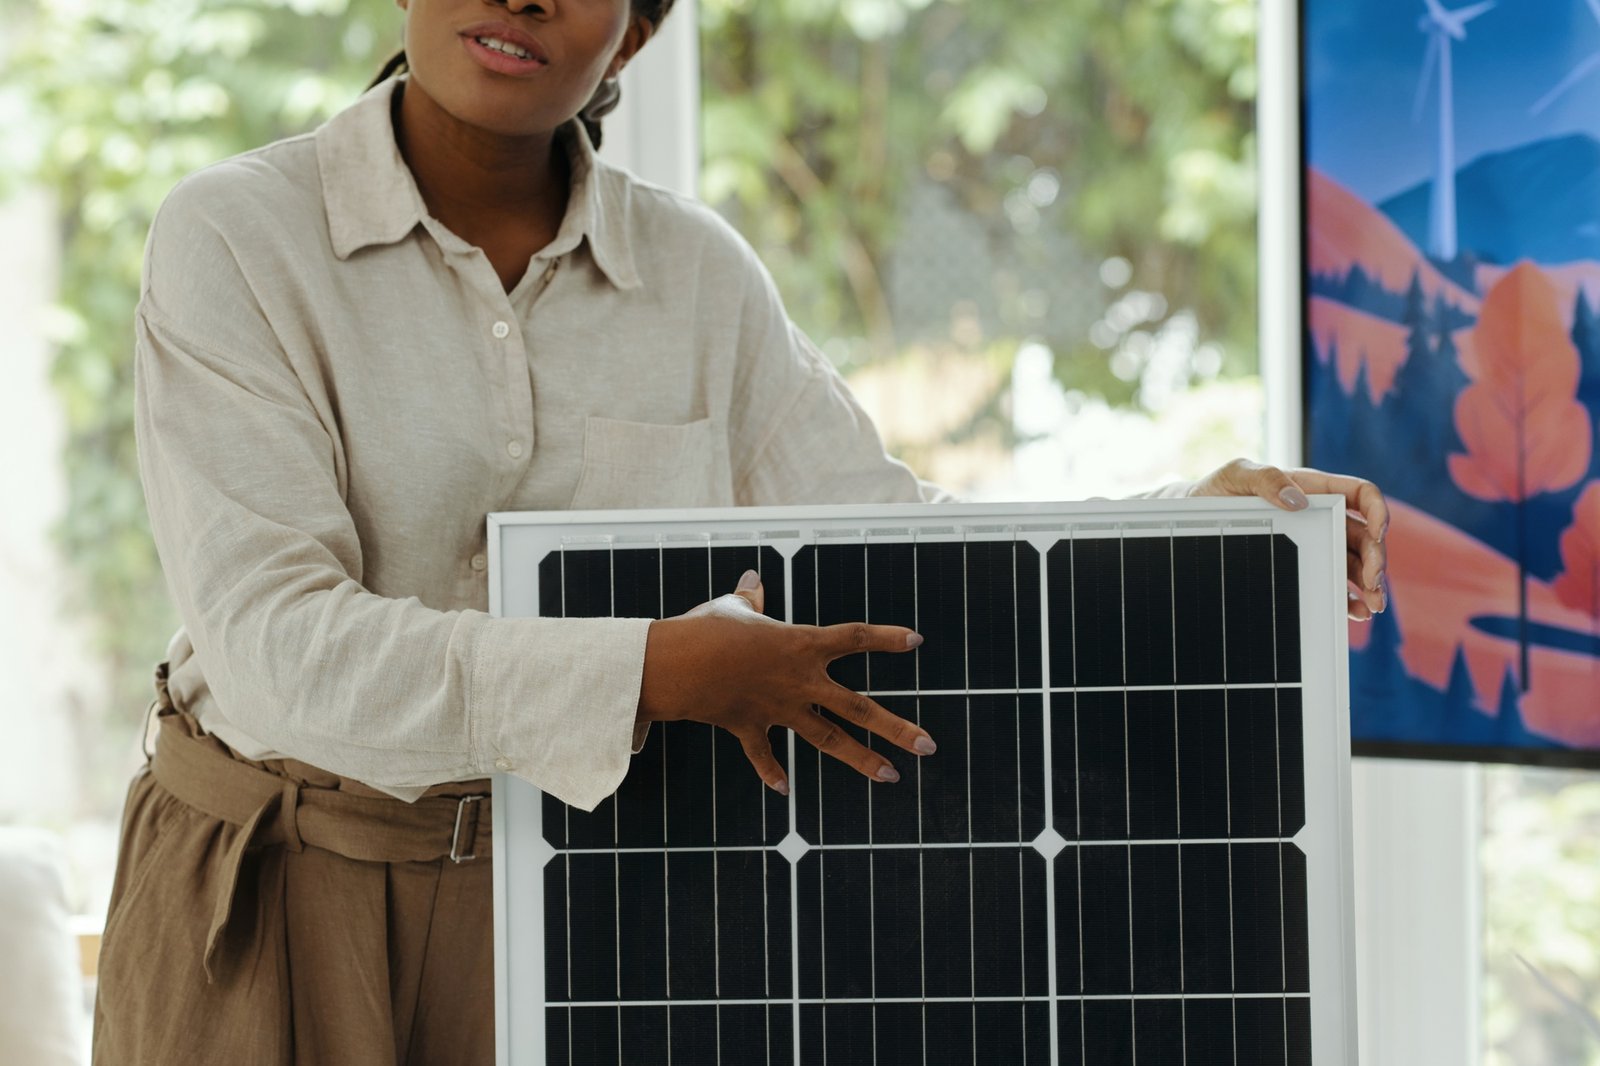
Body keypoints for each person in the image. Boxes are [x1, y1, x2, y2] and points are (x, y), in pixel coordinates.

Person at [91, 0, 1391, 1062]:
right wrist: (654, 671)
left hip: (579, 903)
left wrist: (1197, 523)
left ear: (639, 34)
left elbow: (889, 540)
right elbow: (278, 648)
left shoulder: (697, 279)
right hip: (274, 896)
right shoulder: (237, 238)